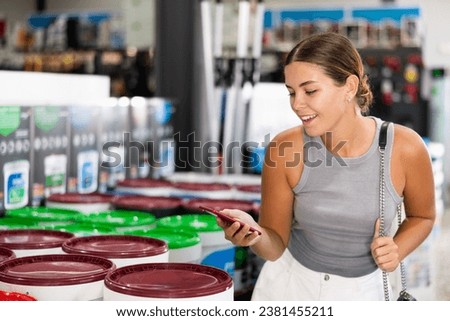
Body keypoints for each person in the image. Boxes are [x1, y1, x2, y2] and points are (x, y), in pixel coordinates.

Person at [217, 32, 436, 301]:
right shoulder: (283, 149)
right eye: (291, 92)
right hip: (290, 289)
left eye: (310, 91)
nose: (297, 104)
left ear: (349, 86)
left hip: (364, 292)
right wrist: (253, 234)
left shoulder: (405, 148)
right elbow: (274, 247)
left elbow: (422, 217)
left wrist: (397, 249)